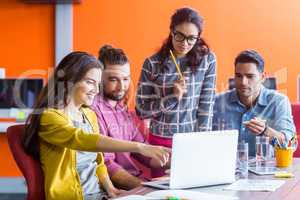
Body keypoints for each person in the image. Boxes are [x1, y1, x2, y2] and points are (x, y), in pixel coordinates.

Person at [22, 51, 170, 200]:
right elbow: (82, 140)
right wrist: (138, 146)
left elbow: (98, 161)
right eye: (90, 82)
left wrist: (111, 189)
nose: (97, 90)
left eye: (97, 84)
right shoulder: (50, 117)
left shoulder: (88, 114)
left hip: (99, 195)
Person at [135, 7, 217, 176]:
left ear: (198, 38)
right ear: (171, 31)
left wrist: (203, 141)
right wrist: (172, 98)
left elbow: (206, 105)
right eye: (179, 36)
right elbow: (141, 110)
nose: (184, 43)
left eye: (191, 38)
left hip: (193, 141)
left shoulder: (208, 60)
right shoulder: (152, 63)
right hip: (161, 144)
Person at [92, 45, 167, 190]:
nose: (122, 87)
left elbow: (146, 152)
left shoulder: (121, 108)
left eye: (126, 79)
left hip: (138, 184)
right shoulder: (94, 111)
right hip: (118, 189)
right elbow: (106, 165)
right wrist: (143, 188)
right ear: (99, 78)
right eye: (114, 80)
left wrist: (179, 160)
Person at [212, 50, 296, 156]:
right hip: (226, 168)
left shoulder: (279, 102)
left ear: (263, 77)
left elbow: (289, 145)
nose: (243, 82)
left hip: (266, 169)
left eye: (250, 76)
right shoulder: (217, 102)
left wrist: (265, 131)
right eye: (238, 76)